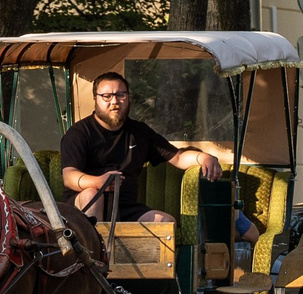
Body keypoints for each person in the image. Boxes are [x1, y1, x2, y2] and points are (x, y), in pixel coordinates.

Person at [60, 74, 221, 223]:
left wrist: (204, 157)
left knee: (165, 223)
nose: (114, 101)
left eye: (120, 95)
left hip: (125, 209)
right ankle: (96, 253)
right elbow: (69, 176)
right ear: (96, 99)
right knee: (92, 194)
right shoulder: (79, 133)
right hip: (82, 208)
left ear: (128, 98)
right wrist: (98, 182)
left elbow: (178, 157)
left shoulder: (139, 132)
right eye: (107, 96)